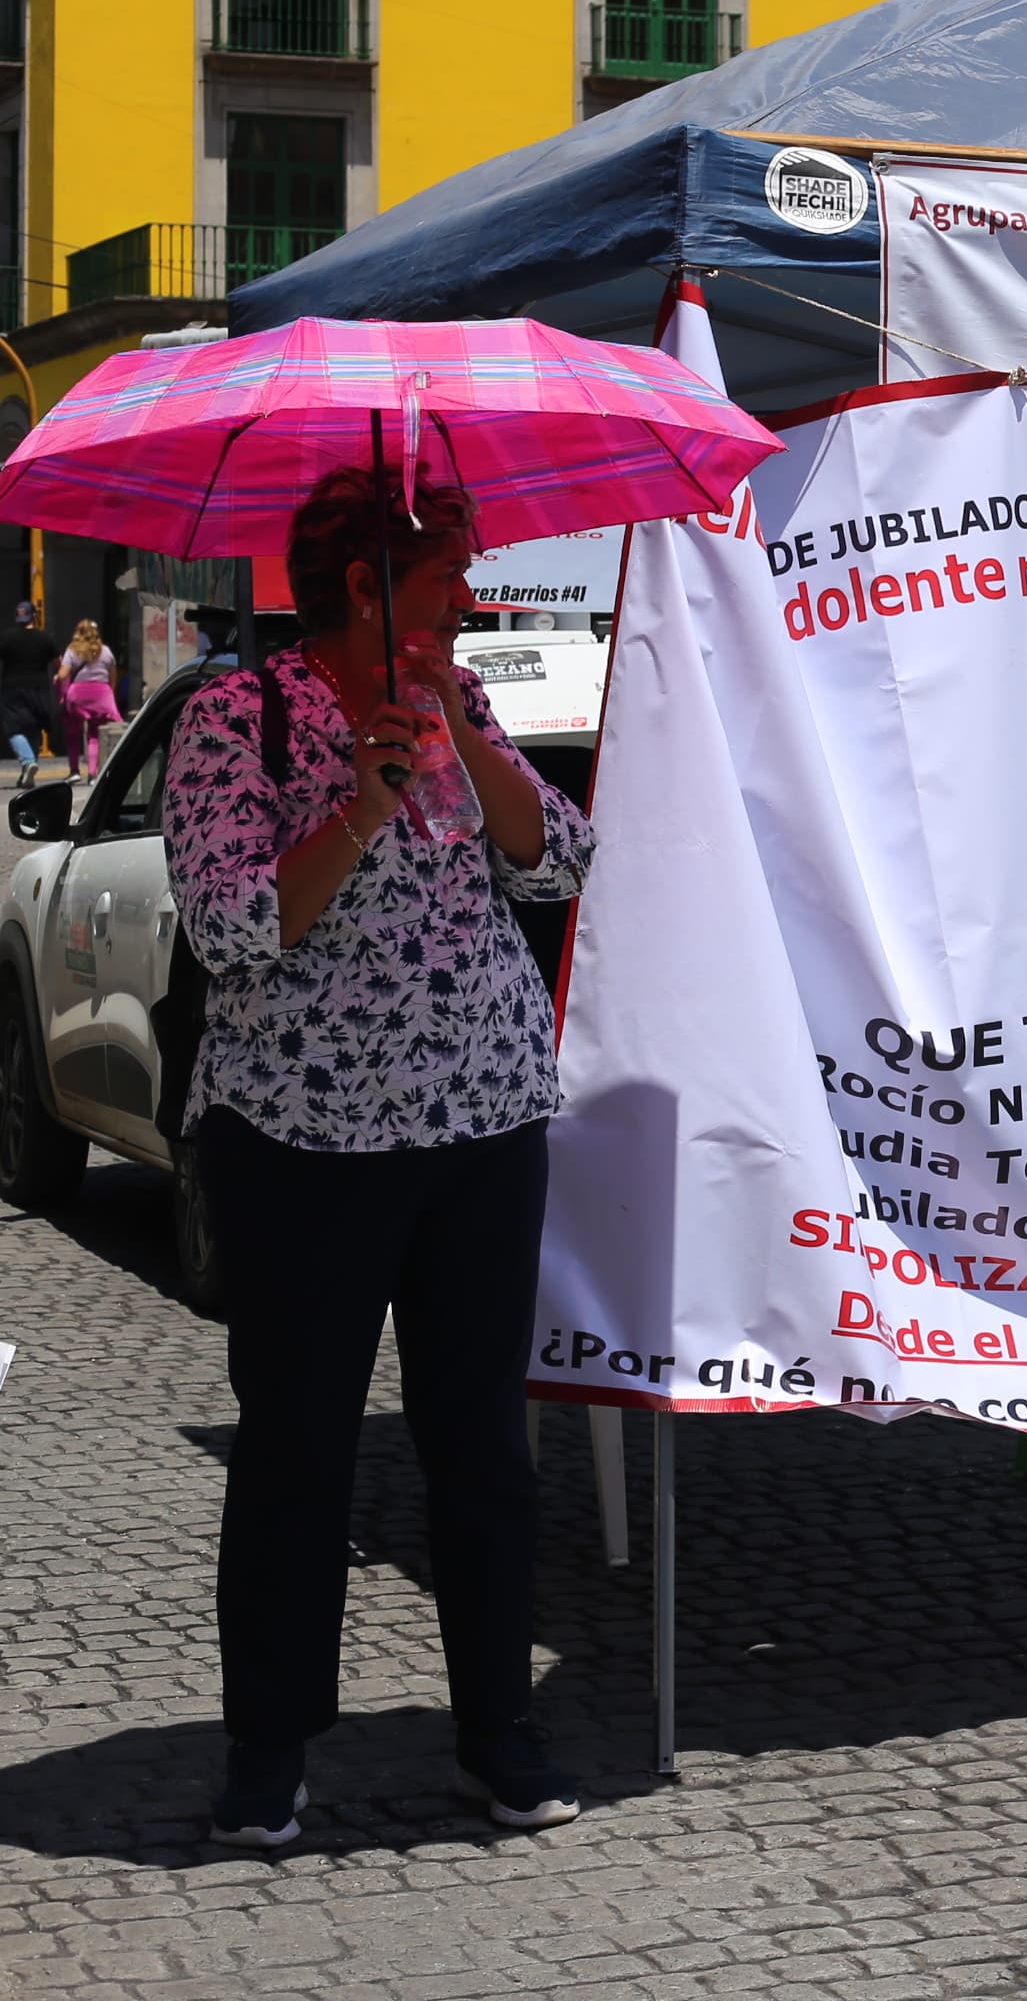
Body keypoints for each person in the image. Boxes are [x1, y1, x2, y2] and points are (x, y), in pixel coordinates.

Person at [165, 467, 597, 1847]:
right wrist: (356, 799)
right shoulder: (241, 717)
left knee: (483, 1447)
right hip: (305, 1139)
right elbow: (236, 927)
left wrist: (462, 745)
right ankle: (270, 1748)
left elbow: (557, 856)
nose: (468, 597)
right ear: (366, 588)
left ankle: (497, 1734)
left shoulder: (464, 703)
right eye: (447, 577)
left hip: (481, 1119)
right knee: (298, 1451)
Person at [0, 599, 56, 774]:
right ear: (34, 616)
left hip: (12, 687)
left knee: (13, 728)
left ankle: (28, 761)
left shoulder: (7, 637)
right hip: (39, 688)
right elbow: (58, 663)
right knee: (34, 726)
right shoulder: (45, 638)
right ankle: (28, 771)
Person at [53, 617, 117, 768]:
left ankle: (74, 771)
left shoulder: (72, 650)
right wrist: (110, 694)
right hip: (101, 694)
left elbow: (63, 675)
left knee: (73, 733)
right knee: (94, 734)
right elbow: (112, 677)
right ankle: (92, 773)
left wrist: (57, 678)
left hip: (78, 696)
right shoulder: (105, 650)